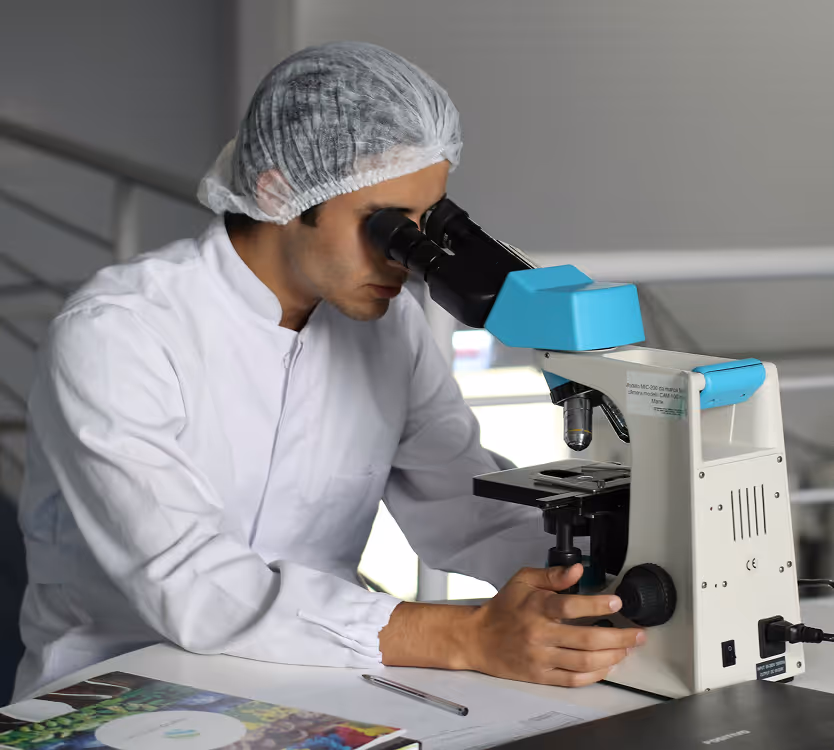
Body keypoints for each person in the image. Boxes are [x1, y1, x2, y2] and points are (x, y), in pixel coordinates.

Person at [13, 41, 643, 701]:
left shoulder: (387, 328)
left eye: (428, 223)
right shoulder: (121, 334)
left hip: (315, 677)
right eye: (388, 228)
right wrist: (468, 636)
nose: (408, 259)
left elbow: (463, 505)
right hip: (119, 686)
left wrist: (596, 579)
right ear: (279, 191)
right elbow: (193, 583)